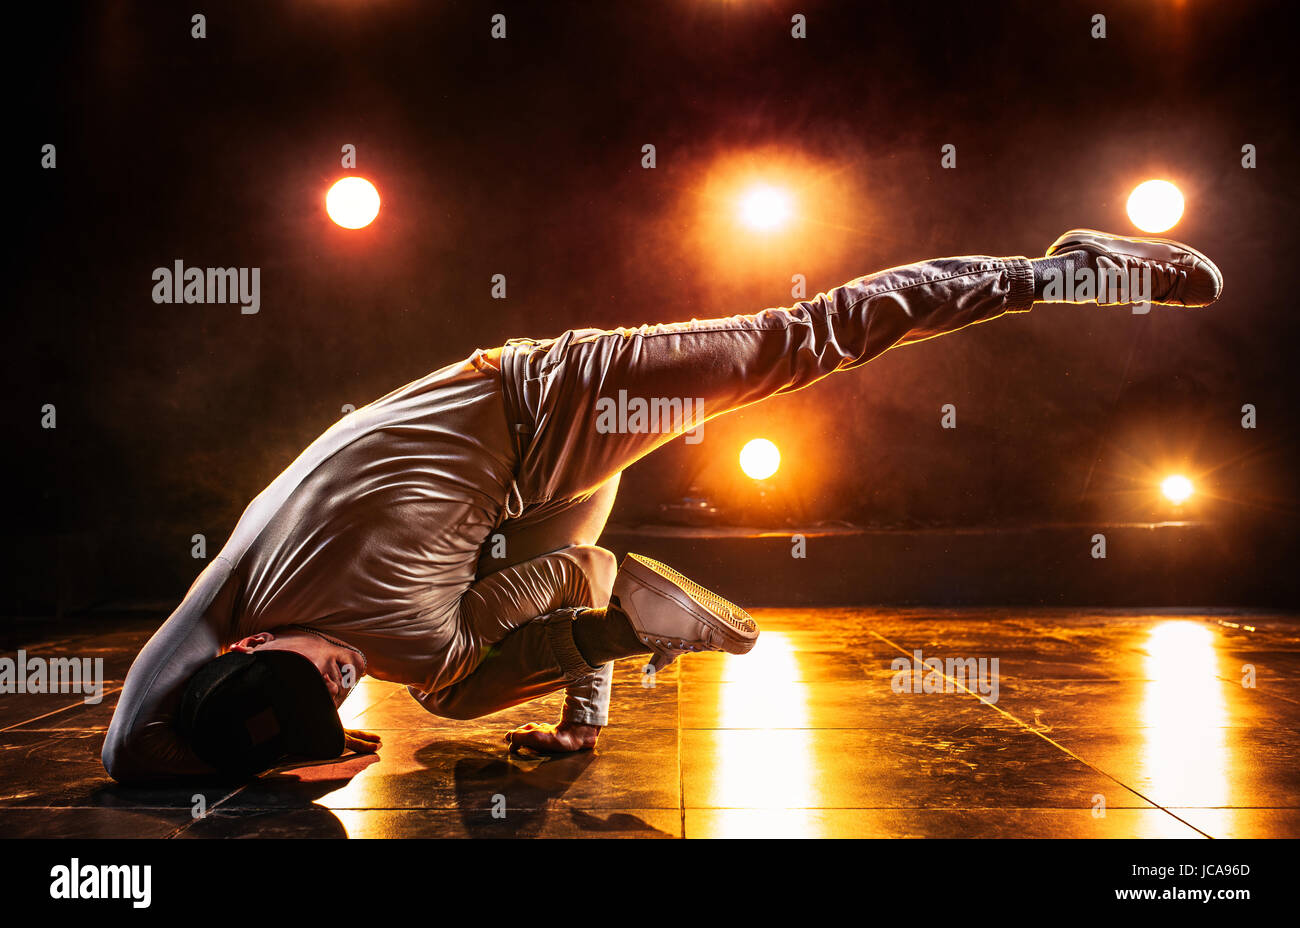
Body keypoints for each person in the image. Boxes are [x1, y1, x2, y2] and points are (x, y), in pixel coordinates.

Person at [101, 229, 1223, 783]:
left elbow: (123, 758)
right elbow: (130, 734)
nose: (348, 670)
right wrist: (248, 726)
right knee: (469, 675)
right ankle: (592, 706)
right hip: (528, 460)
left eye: (322, 670)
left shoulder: (399, 643)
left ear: (244, 644)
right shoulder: (239, 571)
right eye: (342, 688)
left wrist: (608, 593)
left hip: (567, 395)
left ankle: (1066, 267)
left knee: (807, 337)